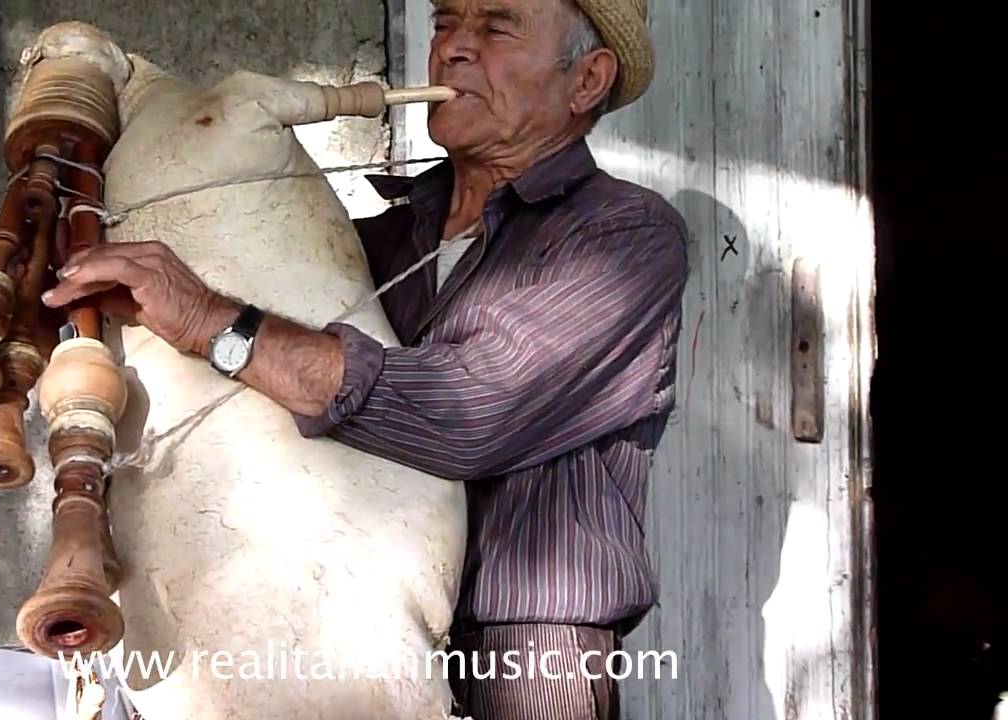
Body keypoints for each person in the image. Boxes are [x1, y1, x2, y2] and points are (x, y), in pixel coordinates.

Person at [42, 0, 688, 717]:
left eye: (497, 27)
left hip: (526, 657)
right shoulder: (374, 242)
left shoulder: (624, 237)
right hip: (339, 629)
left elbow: (467, 415)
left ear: (587, 80)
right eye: (446, 23)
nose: (454, 50)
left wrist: (209, 319)